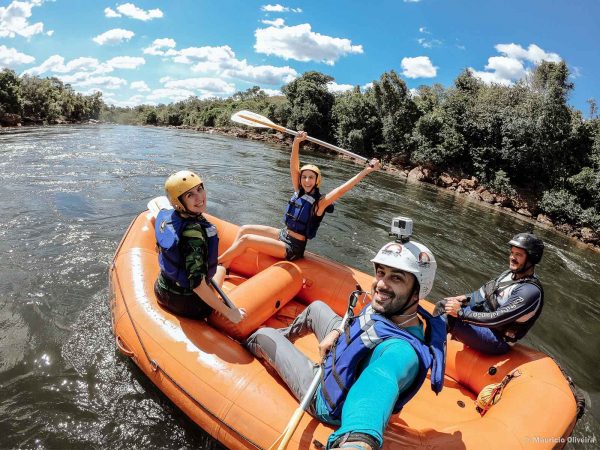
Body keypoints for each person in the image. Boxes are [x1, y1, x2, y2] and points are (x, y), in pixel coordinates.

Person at [246, 241, 446, 450]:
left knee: (264, 335)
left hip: (325, 396)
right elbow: (363, 327)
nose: (381, 284)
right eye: (381, 272)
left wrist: (358, 442)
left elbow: (378, 383)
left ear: (417, 292)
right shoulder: (393, 310)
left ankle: (246, 342)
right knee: (316, 308)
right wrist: (337, 332)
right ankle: (286, 338)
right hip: (341, 354)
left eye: (396, 278)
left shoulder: (402, 352)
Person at [217, 132, 380, 267]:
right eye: (304, 177)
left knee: (246, 239)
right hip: (282, 234)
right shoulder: (299, 190)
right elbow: (293, 167)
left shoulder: (319, 203)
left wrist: (366, 171)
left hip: (292, 247)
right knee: (244, 229)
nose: (307, 180)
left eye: (311, 177)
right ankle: (226, 265)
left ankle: (217, 263)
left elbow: (342, 189)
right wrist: (296, 143)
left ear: (317, 180)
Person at [154, 170, 246, 323]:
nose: (200, 197)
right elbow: (197, 285)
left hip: (161, 289)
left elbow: (160, 249)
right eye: (190, 195)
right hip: (186, 304)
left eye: (199, 189)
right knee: (222, 269)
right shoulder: (194, 236)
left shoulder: (170, 217)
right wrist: (230, 313)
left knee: (216, 269)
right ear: (179, 203)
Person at [436, 232, 544, 355]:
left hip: (497, 340)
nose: (512, 258)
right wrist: (464, 298)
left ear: (531, 259)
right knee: (445, 304)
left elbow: (496, 319)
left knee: (449, 316)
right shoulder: (509, 274)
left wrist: (461, 313)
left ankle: (432, 357)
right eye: (512, 253)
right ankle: (432, 345)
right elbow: (485, 293)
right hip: (486, 327)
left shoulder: (529, 291)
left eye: (518, 255)